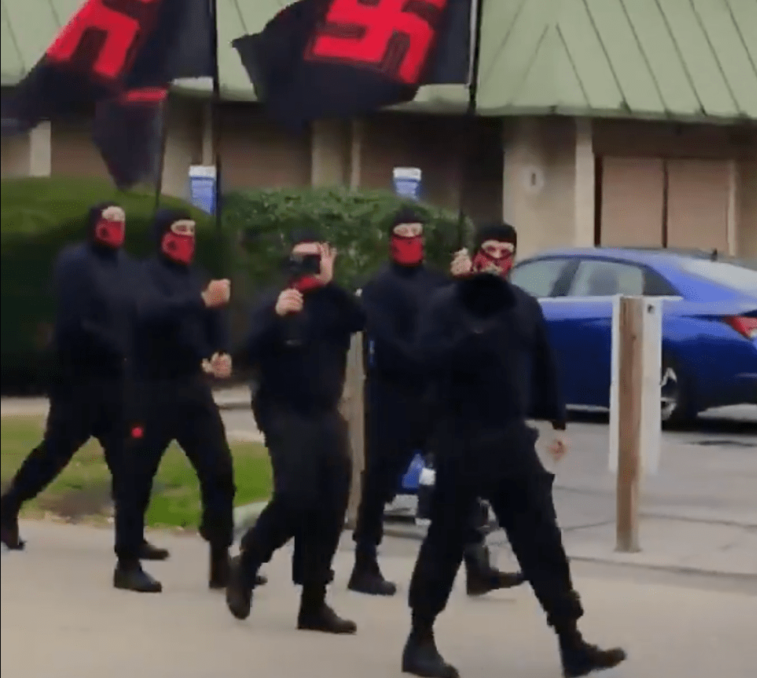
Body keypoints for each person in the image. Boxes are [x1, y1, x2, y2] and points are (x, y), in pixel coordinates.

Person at [401, 223, 627, 678]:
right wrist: (470, 330)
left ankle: (571, 640)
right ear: (475, 253)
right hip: (461, 436)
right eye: (490, 250)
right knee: (446, 538)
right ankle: (419, 639)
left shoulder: (524, 306)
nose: (498, 259)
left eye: (507, 252)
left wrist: (555, 421)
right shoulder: (446, 304)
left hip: (510, 438)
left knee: (541, 537)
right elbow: (422, 361)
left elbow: (542, 363)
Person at [348, 207, 524, 598]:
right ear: (391, 239)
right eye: (403, 232)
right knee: (380, 481)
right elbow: (388, 344)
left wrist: (466, 283)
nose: (411, 239)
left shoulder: (435, 282)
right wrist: (433, 357)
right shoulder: (380, 285)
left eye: (417, 232)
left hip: (435, 398)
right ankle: (364, 562)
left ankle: (477, 566)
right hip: (392, 396)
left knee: (460, 475)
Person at [0, 202, 167, 563]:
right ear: (95, 224)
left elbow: (139, 313)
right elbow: (75, 320)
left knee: (128, 461)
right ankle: (8, 504)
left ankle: (132, 537)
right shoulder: (74, 262)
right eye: (110, 220)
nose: (116, 226)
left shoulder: (129, 267)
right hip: (78, 379)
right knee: (56, 452)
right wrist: (117, 347)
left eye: (122, 220)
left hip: (118, 382)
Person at [225, 230, 364, 634]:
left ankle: (314, 603)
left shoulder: (335, 305)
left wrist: (331, 283)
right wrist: (275, 318)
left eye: (315, 260)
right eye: (300, 260)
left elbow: (360, 320)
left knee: (332, 499)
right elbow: (244, 353)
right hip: (281, 409)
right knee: (296, 493)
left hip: (324, 411)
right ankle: (248, 561)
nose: (307, 268)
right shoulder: (275, 300)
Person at [112, 208, 236, 594]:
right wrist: (201, 301)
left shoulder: (198, 274)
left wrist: (221, 353)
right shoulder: (143, 274)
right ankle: (127, 562)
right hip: (149, 388)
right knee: (137, 476)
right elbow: (149, 313)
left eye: (192, 231)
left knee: (220, 472)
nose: (187, 237)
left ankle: (221, 561)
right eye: (180, 230)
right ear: (162, 234)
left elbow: (214, 324)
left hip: (191, 387)